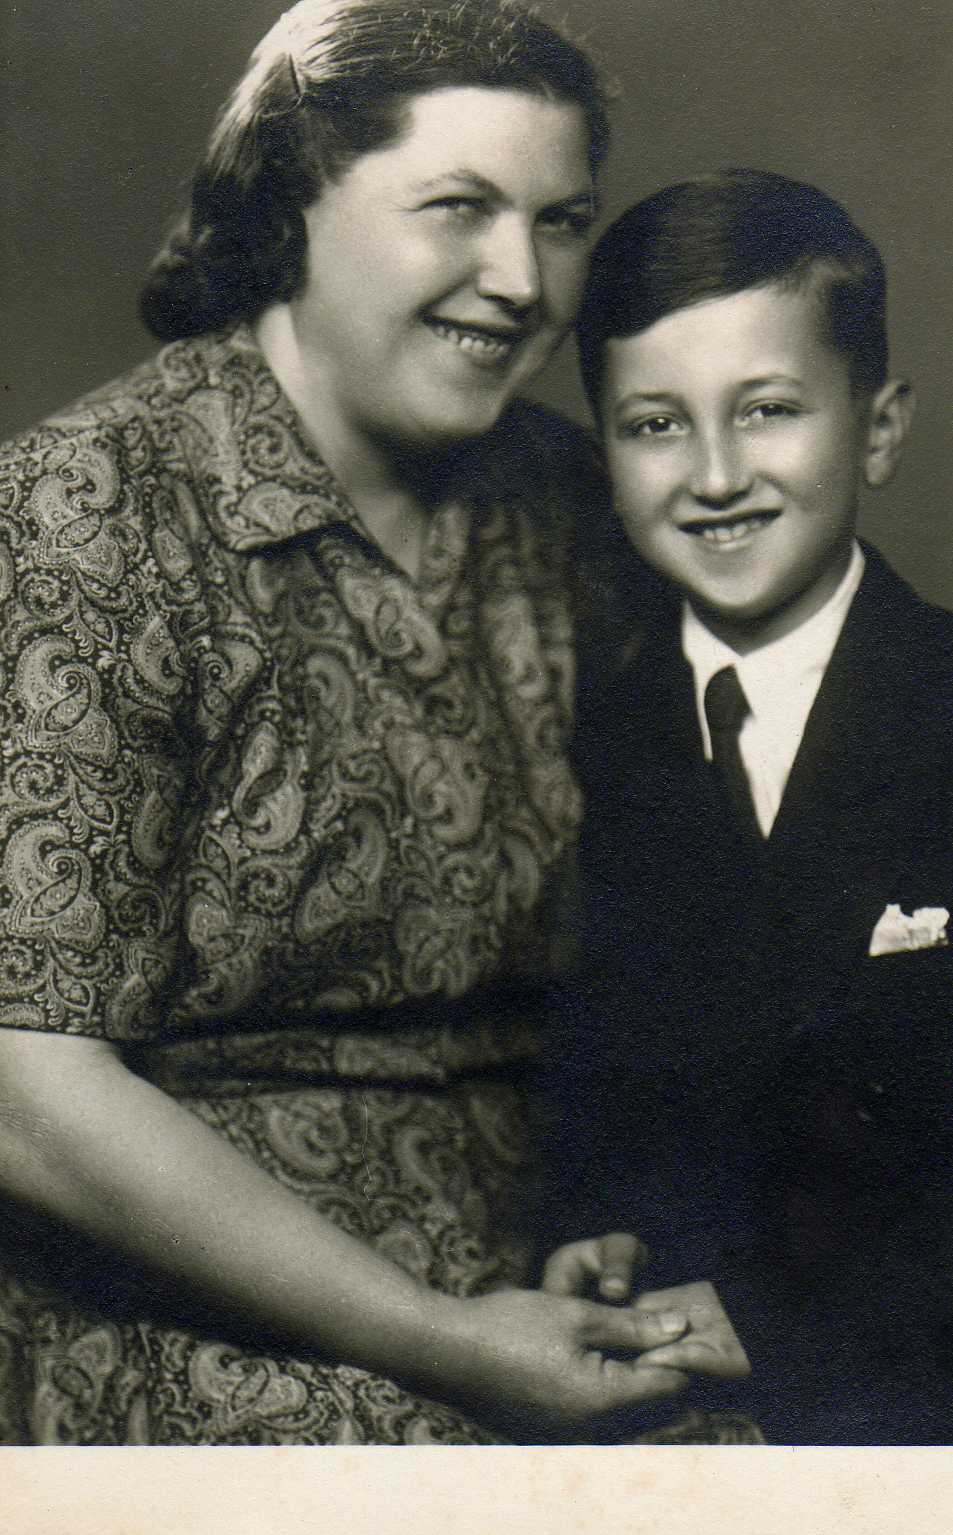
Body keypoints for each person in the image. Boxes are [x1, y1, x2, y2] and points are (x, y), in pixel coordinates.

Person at [0, 0, 712, 1446]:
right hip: (182, 1321)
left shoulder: (572, 504)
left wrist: (621, 1228)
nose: (519, 280)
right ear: (293, 207)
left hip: (535, 1277)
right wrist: (440, 1338)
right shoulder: (87, 512)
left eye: (561, 222)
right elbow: (27, 1086)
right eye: (457, 207)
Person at [541, 169, 953, 1444]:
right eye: (654, 425)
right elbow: (603, 1082)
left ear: (875, 429)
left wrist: (784, 1318)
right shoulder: (592, 736)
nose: (714, 475)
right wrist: (595, 1231)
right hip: (671, 1417)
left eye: (766, 410)